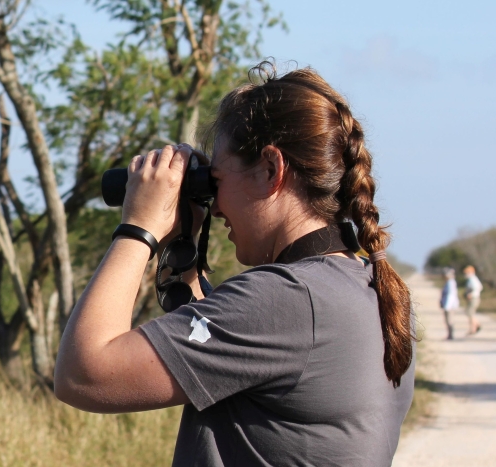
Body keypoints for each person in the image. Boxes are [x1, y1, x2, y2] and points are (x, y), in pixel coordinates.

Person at [54, 62, 416, 466]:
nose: (217, 204)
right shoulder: (365, 287)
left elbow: (83, 375)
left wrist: (138, 228)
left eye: (218, 181)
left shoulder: (285, 299)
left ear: (270, 169)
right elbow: (219, 350)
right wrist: (184, 241)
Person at [440, 268, 460, 340]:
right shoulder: (449, 282)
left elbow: (450, 295)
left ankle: (451, 335)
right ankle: (449, 334)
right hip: (448, 305)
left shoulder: (450, 283)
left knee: (449, 320)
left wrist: (447, 306)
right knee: (447, 320)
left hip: (449, 306)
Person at [463, 265, 483, 335]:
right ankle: (475, 327)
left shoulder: (473, 279)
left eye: (467, 272)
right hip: (473, 298)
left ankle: (475, 327)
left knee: (469, 313)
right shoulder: (471, 279)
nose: (466, 274)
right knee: (470, 313)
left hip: (474, 298)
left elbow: (479, 287)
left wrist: (471, 294)